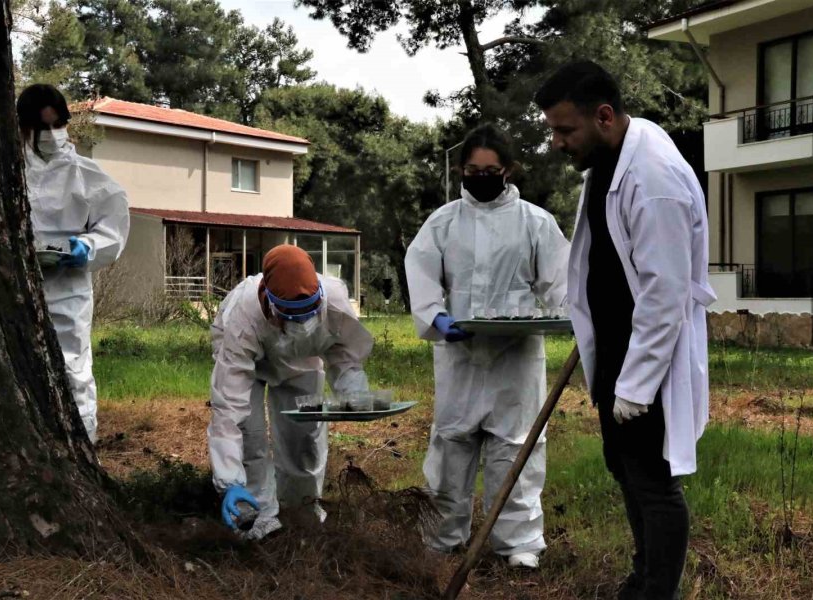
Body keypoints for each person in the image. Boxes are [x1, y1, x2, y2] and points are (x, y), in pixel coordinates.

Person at [536, 61, 715, 599]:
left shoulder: (652, 177)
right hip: (617, 349)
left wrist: (636, 387)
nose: (557, 142)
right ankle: (642, 580)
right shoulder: (608, 162)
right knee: (626, 468)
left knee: (654, 483)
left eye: (565, 130)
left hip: (649, 360)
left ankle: (658, 592)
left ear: (605, 116)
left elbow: (664, 295)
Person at [405, 124, 570, 568]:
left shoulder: (535, 222)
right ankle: (442, 538)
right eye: (472, 170)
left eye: (490, 170)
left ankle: (518, 544)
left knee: (515, 449)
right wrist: (435, 316)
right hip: (458, 356)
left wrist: (573, 318)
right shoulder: (443, 222)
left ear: (508, 170)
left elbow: (561, 283)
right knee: (451, 447)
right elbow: (421, 274)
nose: (480, 177)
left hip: (515, 359)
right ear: (462, 170)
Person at [208, 244, 374, 540]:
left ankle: (302, 513)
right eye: (291, 315)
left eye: (308, 312)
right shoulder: (242, 320)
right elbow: (228, 408)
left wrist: (354, 392)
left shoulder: (334, 299)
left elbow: (344, 352)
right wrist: (229, 478)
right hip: (251, 359)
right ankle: (258, 522)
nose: (302, 323)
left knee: (305, 436)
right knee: (250, 435)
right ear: (269, 302)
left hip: (303, 357)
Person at [17, 84, 130, 443]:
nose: (51, 135)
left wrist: (86, 247)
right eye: (42, 127)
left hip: (68, 287)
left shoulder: (87, 174)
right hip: (13, 284)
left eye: (57, 125)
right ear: (23, 128)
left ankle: (84, 448)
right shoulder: (6, 172)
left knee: (73, 371)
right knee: (17, 370)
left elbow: (113, 227)